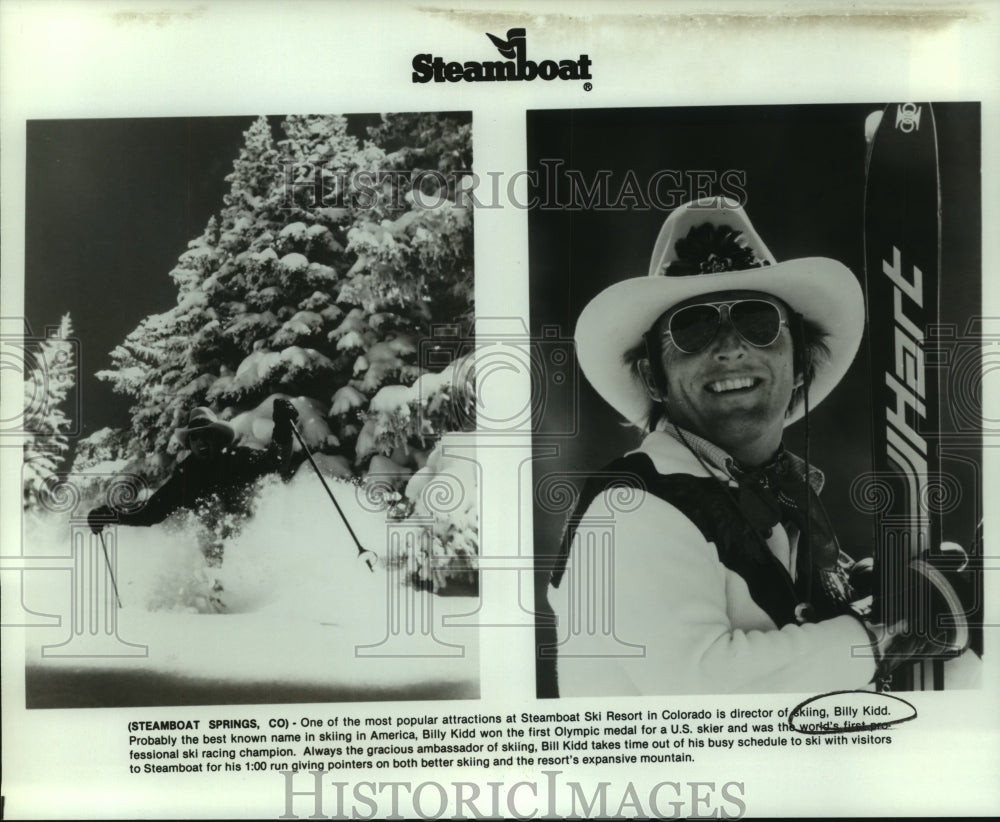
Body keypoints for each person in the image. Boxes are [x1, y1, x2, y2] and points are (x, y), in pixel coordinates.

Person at [547, 197, 967, 696]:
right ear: (651, 377)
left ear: (801, 365)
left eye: (758, 321)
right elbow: (702, 685)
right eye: (693, 329)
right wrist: (883, 637)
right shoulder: (632, 506)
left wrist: (863, 600)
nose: (730, 347)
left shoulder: (765, 498)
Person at [88, 398, 301, 608]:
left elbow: (277, 462)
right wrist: (109, 515)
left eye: (206, 435)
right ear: (189, 444)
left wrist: (283, 424)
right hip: (213, 562)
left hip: (251, 551)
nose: (201, 442)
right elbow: (149, 514)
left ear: (217, 437)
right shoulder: (186, 477)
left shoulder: (238, 458)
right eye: (195, 438)